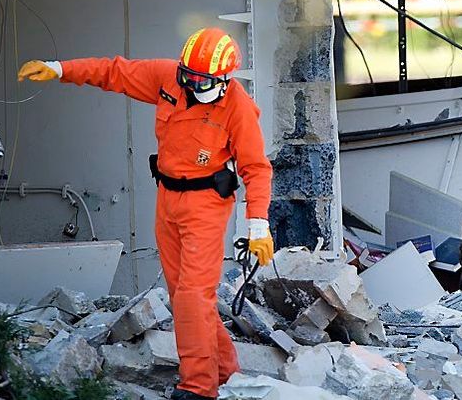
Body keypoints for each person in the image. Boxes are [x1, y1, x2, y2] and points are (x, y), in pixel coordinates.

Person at [18, 27, 275, 400]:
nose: (191, 84)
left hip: (206, 205)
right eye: (189, 76)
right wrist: (59, 69)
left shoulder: (236, 107)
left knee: (191, 295)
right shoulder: (170, 77)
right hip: (168, 199)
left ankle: (199, 387)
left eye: (202, 80)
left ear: (224, 79)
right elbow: (114, 73)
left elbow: (256, 169)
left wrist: (258, 225)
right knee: (186, 296)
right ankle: (225, 371)